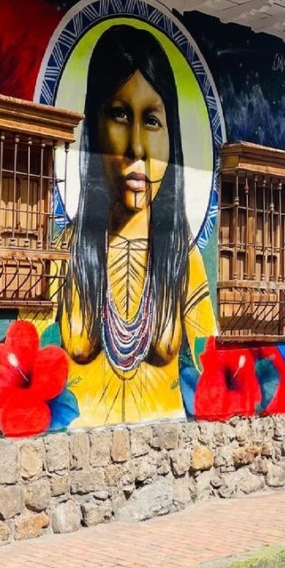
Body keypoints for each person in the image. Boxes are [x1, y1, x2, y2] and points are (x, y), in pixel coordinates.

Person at [61, 24, 216, 426]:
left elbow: (209, 371)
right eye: (118, 114)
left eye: (151, 121)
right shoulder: (64, 255)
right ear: (93, 127)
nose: (137, 148)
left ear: (172, 137)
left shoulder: (183, 260)